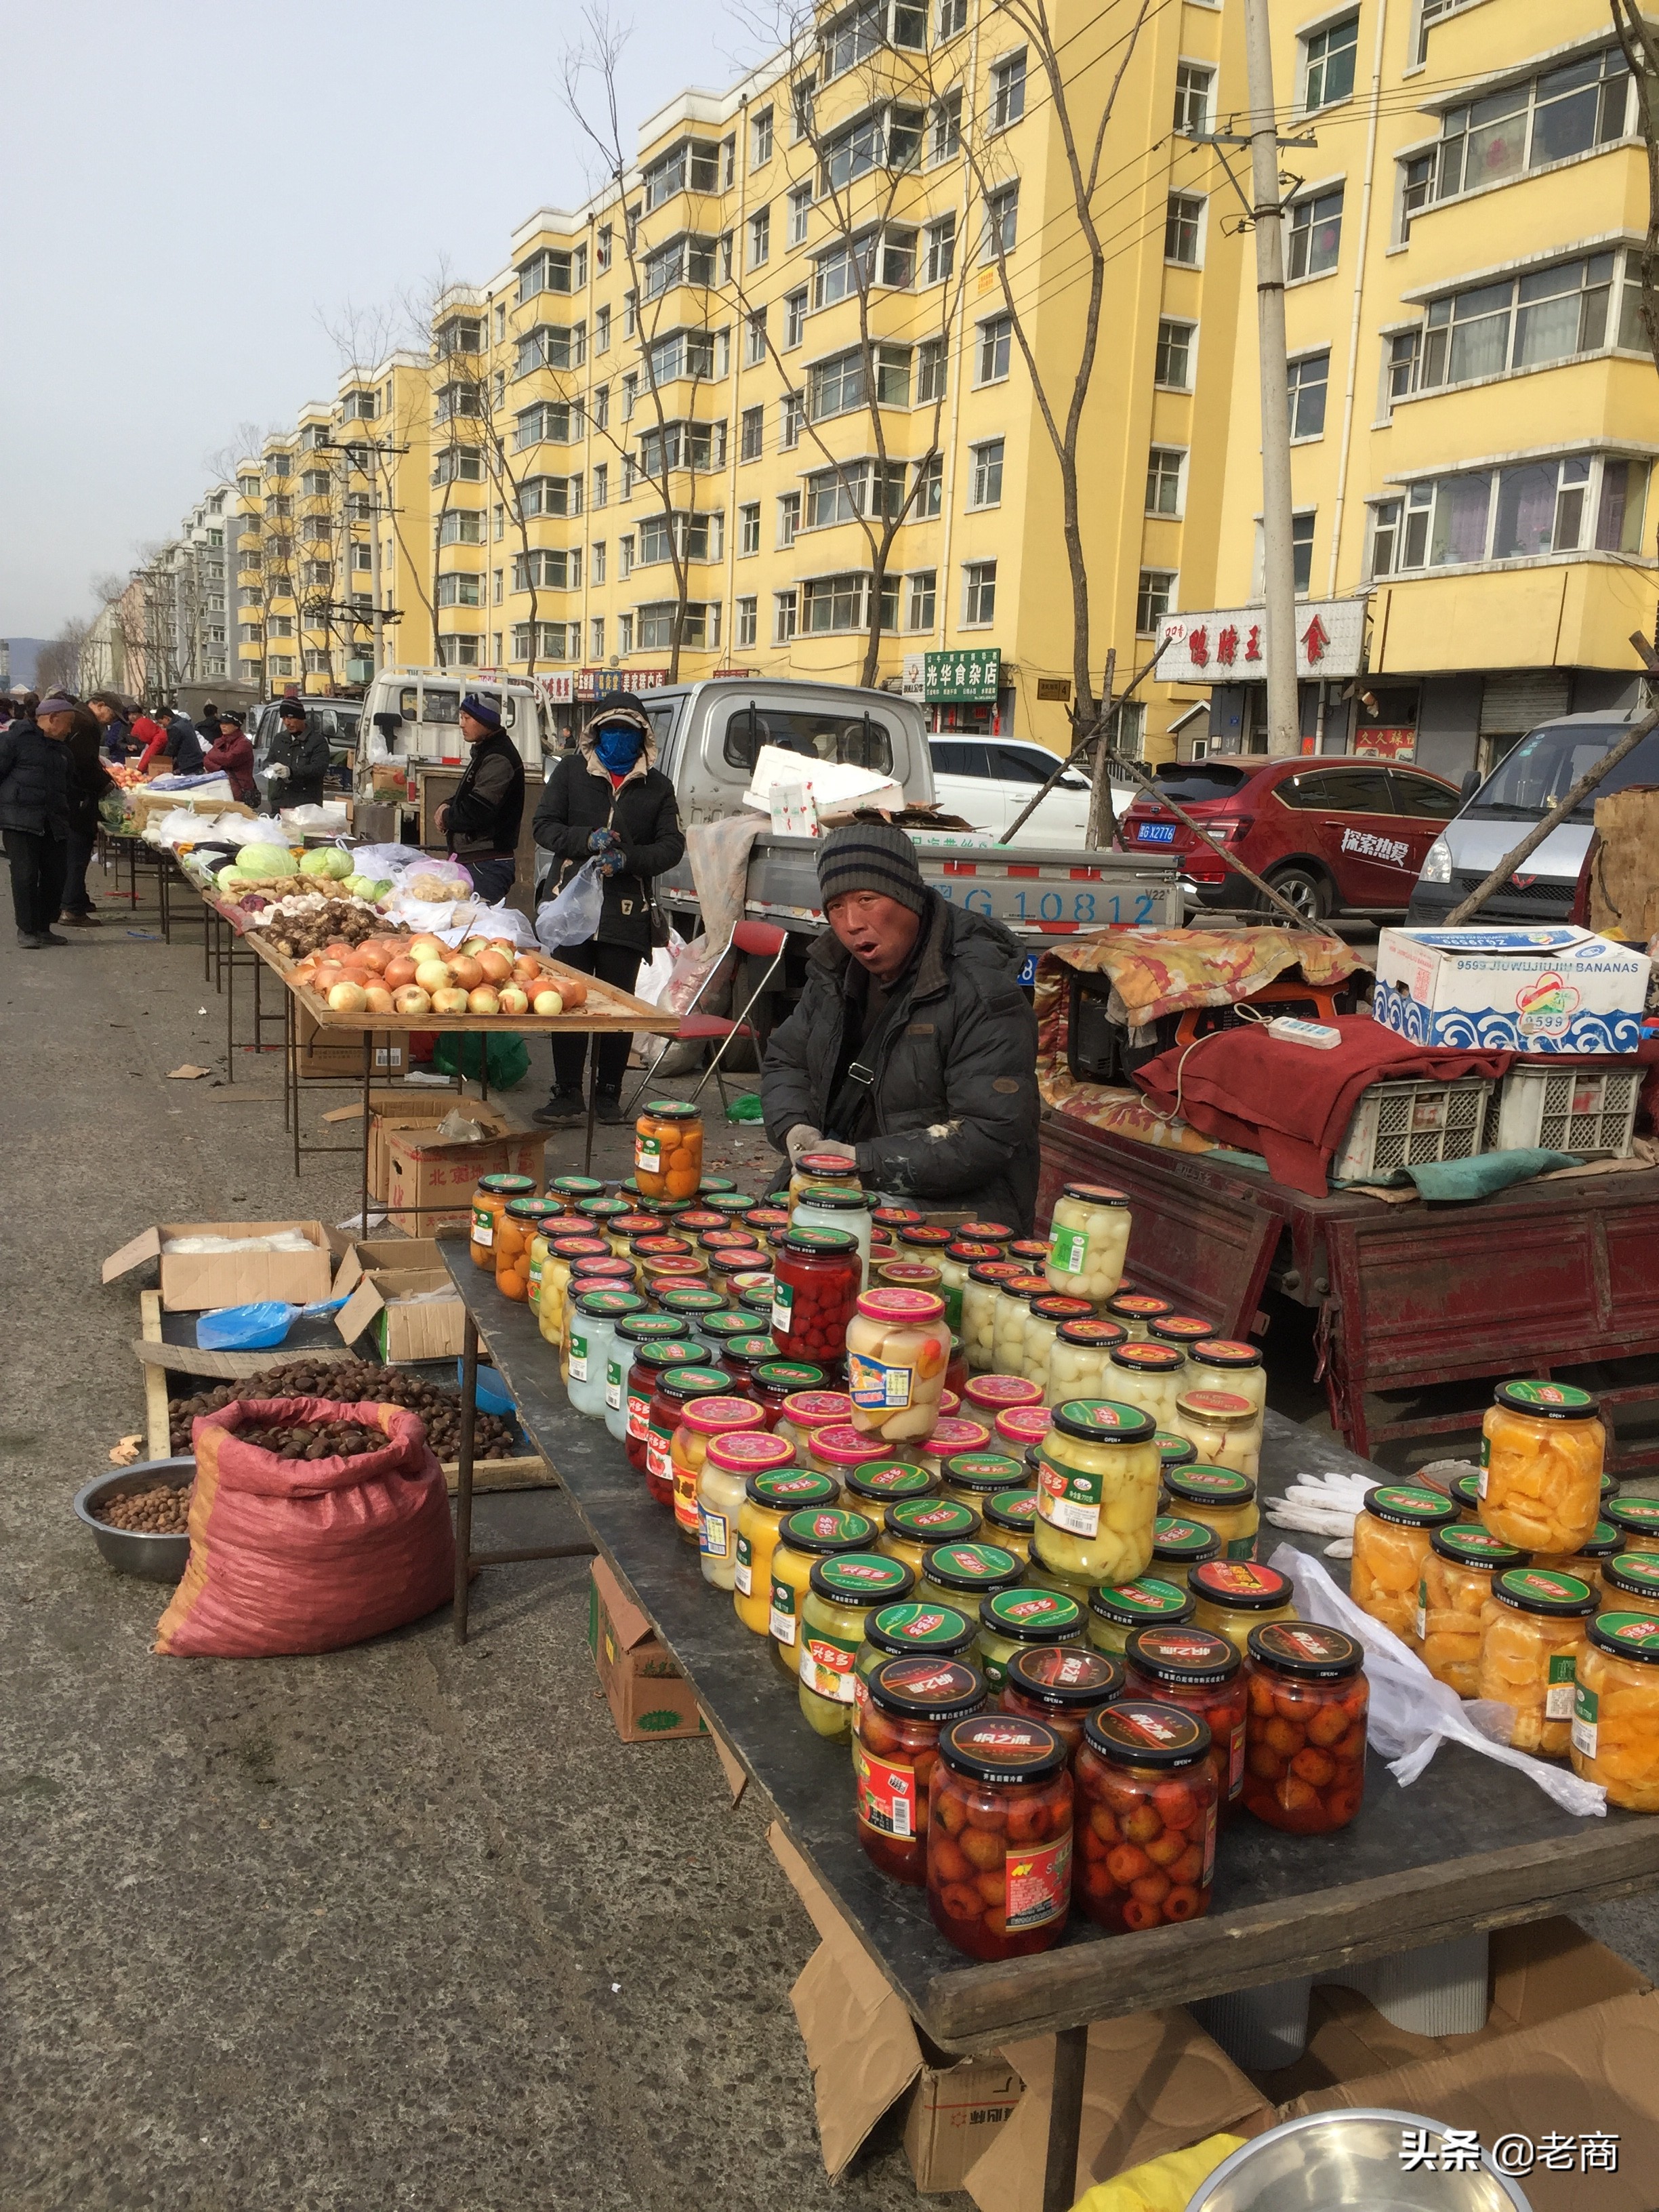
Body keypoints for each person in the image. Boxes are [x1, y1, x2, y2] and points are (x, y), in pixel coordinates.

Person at [760, 823, 1042, 1231]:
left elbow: (987, 1135)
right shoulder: (834, 974)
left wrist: (862, 1161)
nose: (852, 922)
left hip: (956, 1216)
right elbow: (787, 1059)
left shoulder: (981, 991)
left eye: (867, 899)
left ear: (907, 896)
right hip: (844, 1189)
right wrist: (794, 1128)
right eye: (836, 907)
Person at [532, 694, 684, 1126]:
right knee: (568, 1001)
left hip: (626, 909)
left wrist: (628, 859)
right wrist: (586, 841)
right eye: (611, 730)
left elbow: (671, 846)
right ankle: (566, 1092)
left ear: (642, 738)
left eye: (628, 732)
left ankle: (608, 1093)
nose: (618, 739)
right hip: (572, 907)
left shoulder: (658, 786)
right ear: (595, 733)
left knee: (618, 1005)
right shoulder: (569, 773)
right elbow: (543, 826)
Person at [0, 689, 73, 947]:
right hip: (19, 818)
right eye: (68, 722)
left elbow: (70, 783)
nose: (70, 729)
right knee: (25, 874)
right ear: (53, 718)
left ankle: (44, 926)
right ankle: (27, 930)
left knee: (57, 874)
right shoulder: (16, 739)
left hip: (53, 819)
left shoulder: (63, 749)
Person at [437, 693, 525, 906]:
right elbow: (471, 794)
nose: (461, 724)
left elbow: (478, 810)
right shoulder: (485, 752)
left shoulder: (498, 758)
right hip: (474, 862)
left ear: (485, 722)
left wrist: (447, 817)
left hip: (486, 865)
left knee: (475, 927)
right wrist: (448, 803)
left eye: (467, 718)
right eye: (461, 717)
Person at [58, 701, 115, 928]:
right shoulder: (84, 722)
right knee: (77, 852)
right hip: (78, 798)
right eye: (111, 713)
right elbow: (83, 765)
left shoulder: (80, 718)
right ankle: (72, 909)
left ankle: (75, 899)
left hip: (70, 796)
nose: (112, 720)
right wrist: (104, 782)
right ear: (100, 705)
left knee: (73, 852)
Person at [265, 697, 329, 806]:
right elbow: (268, 762)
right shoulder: (280, 739)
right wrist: (272, 768)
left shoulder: (317, 741)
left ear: (301, 717)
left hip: (305, 805)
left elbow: (319, 768)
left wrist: (292, 772)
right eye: (284, 718)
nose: (287, 722)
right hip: (280, 803)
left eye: (290, 718)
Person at [204, 708, 258, 804]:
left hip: (240, 791)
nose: (223, 726)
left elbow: (229, 759)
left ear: (236, 726)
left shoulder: (244, 743)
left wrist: (215, 759)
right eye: (221, 723)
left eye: (227, 724)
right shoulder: (220, 741)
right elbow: (206, 760)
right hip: (222, 789)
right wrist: (222, 767)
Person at [87, 691, 131, 761]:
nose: (110, 722)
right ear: (100, 706)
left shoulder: (91, 723)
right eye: (112, 716)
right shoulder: (84, 722)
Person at [131, 706, 170, 775]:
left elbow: (150, 753)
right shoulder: (159, 735)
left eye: (139, 735)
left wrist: (140, 770)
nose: (140, 738)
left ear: (144, 731)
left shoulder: (160, 738)